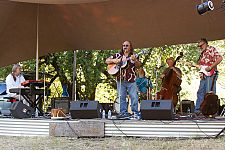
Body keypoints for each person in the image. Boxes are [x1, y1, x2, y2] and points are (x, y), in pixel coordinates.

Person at [105, 41, 142, 119]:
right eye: (123, 45)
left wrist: (135, 60)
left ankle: (135, 113)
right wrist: (114, 60)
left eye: (127, 45)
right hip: (120, 79)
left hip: (131, 79)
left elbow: (138, 65)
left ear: (130, 47)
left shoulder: (133, 55)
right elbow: (107, 60)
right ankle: (123, 113)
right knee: (121, 96)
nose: (125, 47)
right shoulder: (117, 55)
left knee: (134, 96)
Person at [194, 38, 223, 114]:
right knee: (200, 91)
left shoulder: (211, 49)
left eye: (201, 45)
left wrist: (211, 67)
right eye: (199, 46)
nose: (200, 47)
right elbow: (202, 66)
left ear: (205, 43)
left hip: (211, 73)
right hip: (203, 75)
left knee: (209, 93)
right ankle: (198, 110)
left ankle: (211, 111)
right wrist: (200, 72)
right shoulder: (202, 54)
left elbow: (220, 58)